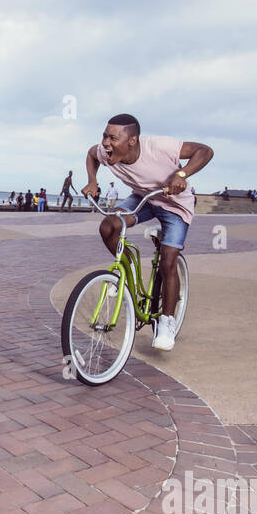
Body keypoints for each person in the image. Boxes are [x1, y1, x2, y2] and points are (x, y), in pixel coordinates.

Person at [81, 113, 213, 352]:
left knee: (168, 260)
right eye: (104, 136)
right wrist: (92, 180)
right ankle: (127, 269)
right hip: (145, 199)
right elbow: (91, 155)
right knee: (109, 226)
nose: (106, 143)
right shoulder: (105, 152)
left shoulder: (159, 147)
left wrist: (181, 174)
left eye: (112, 137)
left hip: (175, 205)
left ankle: (166, 322)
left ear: (132, 140)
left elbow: (205, 151)